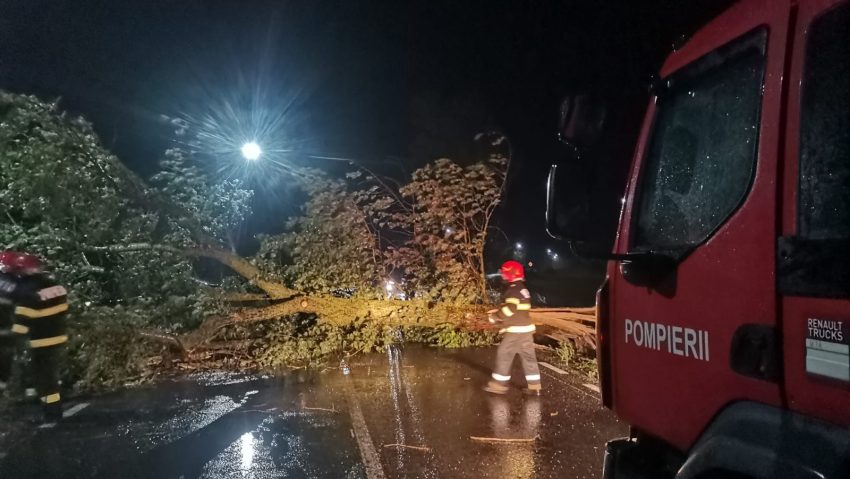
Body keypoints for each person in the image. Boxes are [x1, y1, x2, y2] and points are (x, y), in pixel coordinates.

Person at [0, 251, 68, 422]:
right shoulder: (52, 284)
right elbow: (62, 308)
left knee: (43, 377)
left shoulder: (29, 289)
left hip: (39, 339)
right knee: (47, 374)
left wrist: (16, 335)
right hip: (57, 336)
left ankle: (52, 413)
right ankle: (48, 406)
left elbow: (25, 313)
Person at [483, 260, 542, 396]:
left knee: (504, 354)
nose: (502, 276)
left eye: (504, 273)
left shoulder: (513, 289)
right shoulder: (522, 289)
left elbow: (511, 308)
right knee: (529, 358)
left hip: (516, 331)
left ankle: (498, 384)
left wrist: (496, 317)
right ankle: (535, 386)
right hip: (526, 330)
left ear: (511, 273)